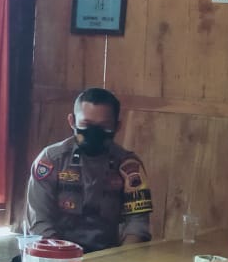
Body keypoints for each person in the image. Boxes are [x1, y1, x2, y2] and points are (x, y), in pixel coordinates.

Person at [24, 87, 152, 252]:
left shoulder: (128, 165)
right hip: (55, 254)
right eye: (86, 124)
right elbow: (39, 222)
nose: (94, 133)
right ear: (72, 121)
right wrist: (65, 258)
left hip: (108, 258)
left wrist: (124, 261)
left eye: (104, 126)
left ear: (117, 126)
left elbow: (137, 223)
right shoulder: (51, 160)